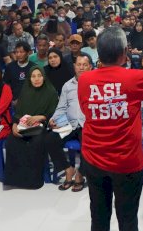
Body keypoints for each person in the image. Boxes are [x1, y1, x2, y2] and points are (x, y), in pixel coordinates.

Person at [77, 26, 143, 231]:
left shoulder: (84, 80)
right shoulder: (134, 77)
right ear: (124, 53)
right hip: (126, 161)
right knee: (127, 218)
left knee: (99, 217)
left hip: (94, 158)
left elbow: (86, 110)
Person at [4, 66, 58, 189]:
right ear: (29, 78)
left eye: (39, 76)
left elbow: (54, 112)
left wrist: (40, 117)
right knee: (12, 140)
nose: (36, 79)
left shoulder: (50, 92)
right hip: (24, 125)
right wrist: (14, 125)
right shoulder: (25, 91)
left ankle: (33, 180)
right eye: (33, 76)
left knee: (36, 141)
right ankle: (15, 179)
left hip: (42, 126)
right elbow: (18, 112)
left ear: (44, 77)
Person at [46, 53, 92, 192]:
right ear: (74, 66)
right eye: (79, 65)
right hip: (70, 124)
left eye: (85, 65)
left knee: (89, 144)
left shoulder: (95, 84)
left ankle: (80, 174)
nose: (81, 68)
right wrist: (53, 119)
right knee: (50, 139)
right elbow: (61, 107)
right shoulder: (67, 85)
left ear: (90, 67)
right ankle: (68, 169)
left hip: (87, 125)